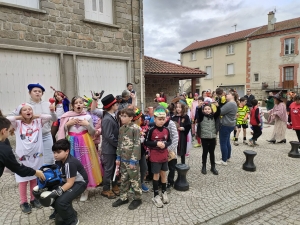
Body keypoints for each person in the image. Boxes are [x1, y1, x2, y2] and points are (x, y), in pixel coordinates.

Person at [7, 103, 51, 214]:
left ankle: (33, 198)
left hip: (37, 155)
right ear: (20, 112)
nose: (28, 111)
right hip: (23, 156)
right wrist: (20, 117)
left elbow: (49, 117)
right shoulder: (17, 123)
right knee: (22, 179)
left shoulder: (38, 122)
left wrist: (34, 116)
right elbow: (7, 118)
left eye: (30, 109)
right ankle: (23, 202)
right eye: (24, 110)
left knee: (34, 177)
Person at [57, 96, 102, 202]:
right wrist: (67, 125)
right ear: (72, 105)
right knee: (71, 166)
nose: (78, 105)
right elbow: (62, 131)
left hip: (85, 142)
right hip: (71, 143)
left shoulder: (88, 117)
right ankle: (72, 187)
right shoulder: (66, 117)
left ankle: (84, 189)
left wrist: (88, 126)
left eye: (80, 103)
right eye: (76, 103)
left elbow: (92, 133)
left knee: (85, 165)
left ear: (83, 105)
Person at [11, 83, 58, 165]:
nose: (37, 93)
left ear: (42, 94)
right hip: (31, 138)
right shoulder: (25, 106)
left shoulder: (48, 104)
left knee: (49, 159)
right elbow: (11, 116)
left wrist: (52, 111)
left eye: (39, 91)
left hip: (46, 135)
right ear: (30, 93)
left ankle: (48, 176)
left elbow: (54, 119)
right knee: (35, 159)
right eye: (35, 91)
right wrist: (20, 118)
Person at [0, 116, 45, 197]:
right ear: (3, 131)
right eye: (9, 131)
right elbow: (18, 168)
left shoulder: (5, 142)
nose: (9, 135)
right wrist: (35, 172)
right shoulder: (5, 150)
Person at [50, 139, 88, 224]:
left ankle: (72, 220)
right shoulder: (59, 160)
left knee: (61, 201)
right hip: (68, 181)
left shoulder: (70, 163)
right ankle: (59, 211)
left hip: (79, 183)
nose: (55, 155)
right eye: (54, 152)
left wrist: (57, 192)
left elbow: (70, 183)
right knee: (49, 192)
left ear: (67, 151)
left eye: (58, 152)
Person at [112, 108, 142, 210]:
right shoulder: (121, 129)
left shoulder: (135, 128)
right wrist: (118, 157)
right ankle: (123, 197)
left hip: (132, 160)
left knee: (134, 180)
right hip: (123, 159)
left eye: (124, 116)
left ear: (131, 118)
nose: (122, 118)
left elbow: (137, 145)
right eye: (121, 116)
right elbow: (120, 144)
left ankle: (137, 198)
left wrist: (133, 160)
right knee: (124, 179)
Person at [144, 108, 171, 208]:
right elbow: (146, 142)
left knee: (164, 174)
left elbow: (169, 141)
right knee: (156, 175)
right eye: (159, 119)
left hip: (164, 155)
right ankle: (156, 195)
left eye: (163, 119)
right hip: (155, 157)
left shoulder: (166, 129)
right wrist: (156, 143)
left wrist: (165, 145)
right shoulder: (151, 129)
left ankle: (163, 192)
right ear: (154, 119)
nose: (161, 121)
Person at [100, 94, 120, 199]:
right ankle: (106, 189)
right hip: (109, 149)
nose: (117, 105)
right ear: (112, 106)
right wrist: (118, 144)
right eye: (116, 103)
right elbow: (108, 136)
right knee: (109, 169)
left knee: (115, 168)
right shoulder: (107, 118)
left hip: (113, 148)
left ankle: (115, 185)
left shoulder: (113, 115)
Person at [197, 102, 220, 175]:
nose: (207, 110)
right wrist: (200, 107)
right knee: (205, 152)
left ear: (211, 110)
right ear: (203, 110)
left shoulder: (214, 116)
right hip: (204, 137)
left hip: (212, 136)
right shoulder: (201, 116)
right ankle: (204, 166)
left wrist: (218, 106)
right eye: (205, 109)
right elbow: (199, 113)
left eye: (209, 109)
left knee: (212, 152)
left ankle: (213, 167)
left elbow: (218, 113)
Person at [216, 91, 238, 166]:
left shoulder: (230, 104)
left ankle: (223, 160)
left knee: (223, 143)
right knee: (227, 142)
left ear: (233, 96)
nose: (226, 95)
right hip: (230, 124)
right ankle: (227, 157)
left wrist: (217, 106)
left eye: (228, 94)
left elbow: (220, 112)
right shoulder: (234, 103)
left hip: (225, 124)